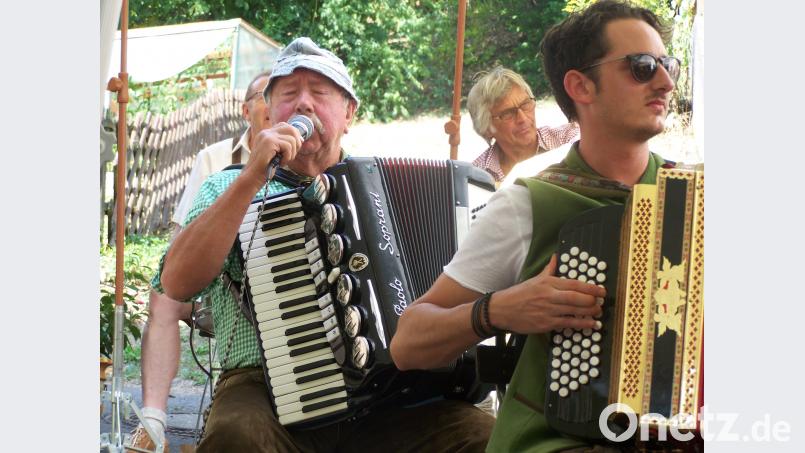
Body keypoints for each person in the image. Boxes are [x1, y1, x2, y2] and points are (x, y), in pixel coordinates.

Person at [154, 37, 494, 452]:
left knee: (482, 436)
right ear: (268, 112)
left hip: (387, 395)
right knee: (236, 435)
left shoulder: (377, 189)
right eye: (288, 94)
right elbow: (177, 283)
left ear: (348, 113)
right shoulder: (226, 186)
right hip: (262, 389)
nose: (303, 104)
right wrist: (251, 178)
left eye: (319, 92)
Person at [390, 1, 679, 451]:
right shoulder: (525, 205)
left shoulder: (693, 198)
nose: (665, 82)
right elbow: (407, 344)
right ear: (580, 86)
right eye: (642, 67)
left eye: (668, 65)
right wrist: (498, 311)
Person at [128, 72, 272, 452]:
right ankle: (153, 424)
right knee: (164, 295)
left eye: (281, 93)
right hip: (212, 290)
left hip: (272, 286)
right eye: (265, 94)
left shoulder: (311, 158)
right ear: (246, 110)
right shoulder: (215, 159)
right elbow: (179, 249)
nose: (275, 102)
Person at [467, 67, 578, 187]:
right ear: (486, 129)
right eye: (507, 114)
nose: (523, 119)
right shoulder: (474, 177)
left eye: (525, 104)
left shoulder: (570, 140)